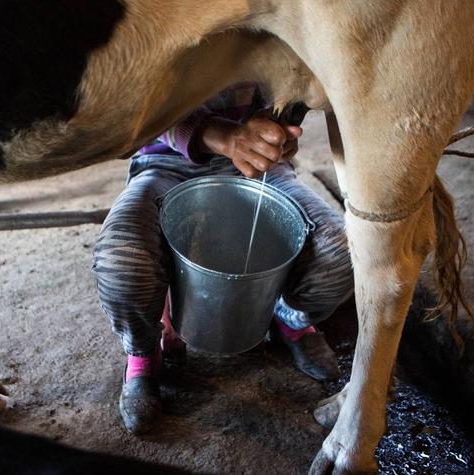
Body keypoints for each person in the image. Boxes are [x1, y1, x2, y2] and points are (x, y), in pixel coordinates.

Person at [92, 83, 354, 435]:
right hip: (164, 162)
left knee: (341, 252)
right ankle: (143, 351)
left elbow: (291, 85)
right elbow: (129, 105)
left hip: (259, 168)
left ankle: (286, 314)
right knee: (121, 262)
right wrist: (222, 136)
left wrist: (275, 131)